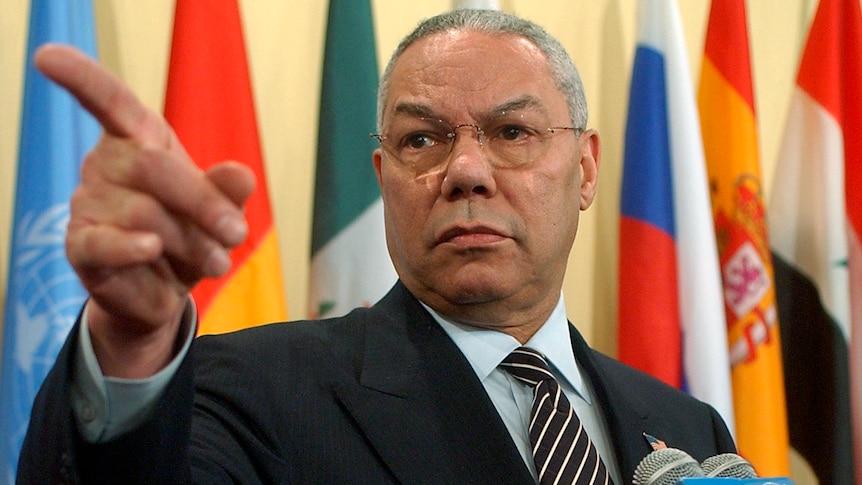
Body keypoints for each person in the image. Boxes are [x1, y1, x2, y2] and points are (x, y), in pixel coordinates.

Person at [18, 8, 735, 484]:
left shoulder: (683, 425)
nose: (465, 172)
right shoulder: (249, 390)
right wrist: (133, 344)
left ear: (584, 169)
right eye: (422, 138)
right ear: (384, 176)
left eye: (513, 132)